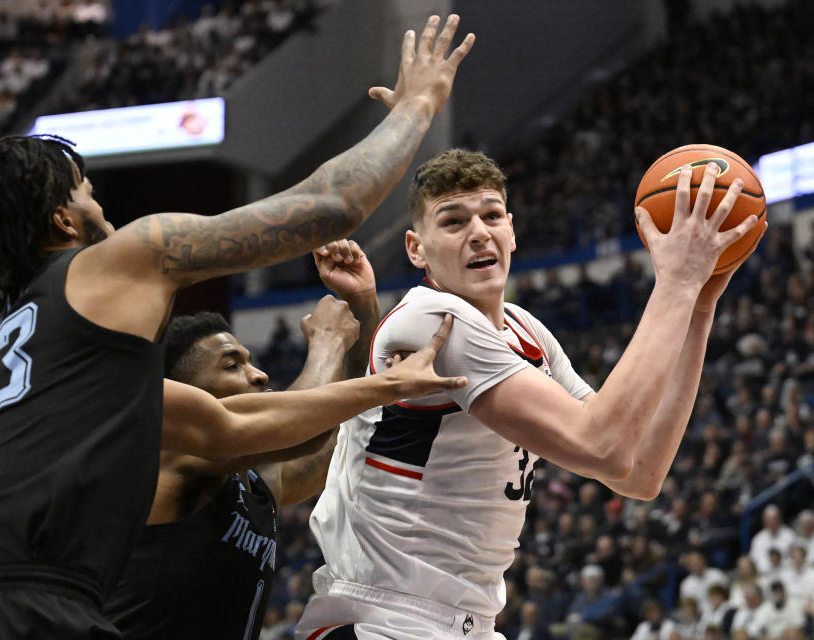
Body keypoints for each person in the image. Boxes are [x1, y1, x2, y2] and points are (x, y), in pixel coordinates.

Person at [0, 15, 475, 639]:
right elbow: (332, 206)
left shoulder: (26, 344)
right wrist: (417, 105)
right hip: (32, 608)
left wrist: (365, 360)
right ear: (61, 219)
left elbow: (240, 431)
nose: (104, 209)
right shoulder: (112, 263)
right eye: (89, 194)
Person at [295, 148, 761, 639]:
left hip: (462, 624)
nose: (479, 232)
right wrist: (677, 281)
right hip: (384, 618)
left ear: (511, 231)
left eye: (492, 215)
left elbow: (639, 471)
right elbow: (602, 443)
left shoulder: (526, 330)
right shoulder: (430, 320)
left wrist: (700, 306)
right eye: (453, 222)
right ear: (416, 249)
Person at [106, 240, 380, 639]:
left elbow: (340, 428)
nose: (260, 375)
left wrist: (363, 304)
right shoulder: (167, 456)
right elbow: (304, 427)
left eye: (251, 361)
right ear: (186, 394)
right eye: (232, 365)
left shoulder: (258, 478)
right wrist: (328, 341)